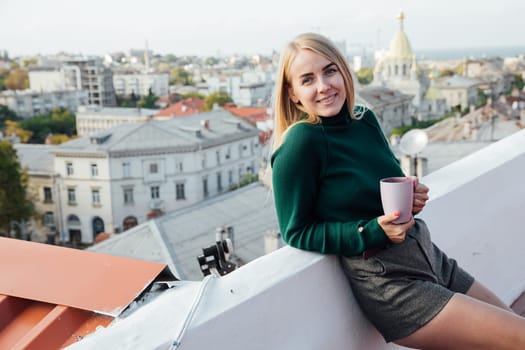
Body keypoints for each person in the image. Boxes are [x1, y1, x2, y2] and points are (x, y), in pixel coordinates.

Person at [270, 32, 525, 349]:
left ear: (344, 73)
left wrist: (412, 198)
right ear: (293, 94)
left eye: (330, 71)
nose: (323, 86)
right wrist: (370, 231)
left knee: (517, 331)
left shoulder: (364, 120)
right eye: (307, 79)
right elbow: (297, 231)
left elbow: (387, 184)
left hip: (428, 255)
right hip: (390, 283)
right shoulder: (300, 143)